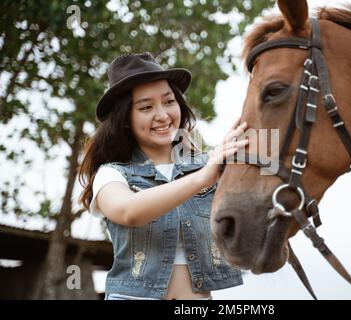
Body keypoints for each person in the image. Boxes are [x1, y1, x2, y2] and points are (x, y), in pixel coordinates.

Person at [78, 52, 248, 300]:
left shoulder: (209, 165)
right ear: (125, 118)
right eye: (146, 107)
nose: (162, 115)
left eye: (169, 102)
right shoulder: (112, 173)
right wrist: (203, 176)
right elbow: (129, 211)